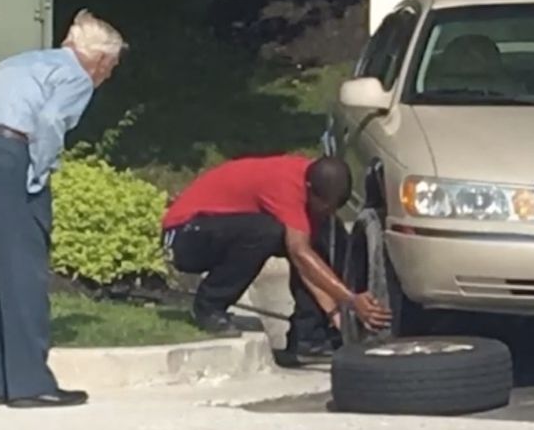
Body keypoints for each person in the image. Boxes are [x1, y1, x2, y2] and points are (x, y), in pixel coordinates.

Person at [0, 9, 127, 408]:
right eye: (111, 66)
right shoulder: (77, 76)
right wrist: (38, 171)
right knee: (22, 270)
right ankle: (29, 384)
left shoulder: (20, 62)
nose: (108, 75)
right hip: (11, 155)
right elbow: (49, 120)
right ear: (100, 60)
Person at [161, 154, 392, 362]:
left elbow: (307, 264)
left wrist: (335, 313)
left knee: (314, 236)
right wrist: (351, 300)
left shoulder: (310, 183)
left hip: (215, 230)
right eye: (325, 206)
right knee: (267, 232)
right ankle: (208, 306)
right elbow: (300, 254)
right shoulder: (285, 186)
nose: (329, 212)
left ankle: (308, 338)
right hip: (184, 236)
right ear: (309, 188)